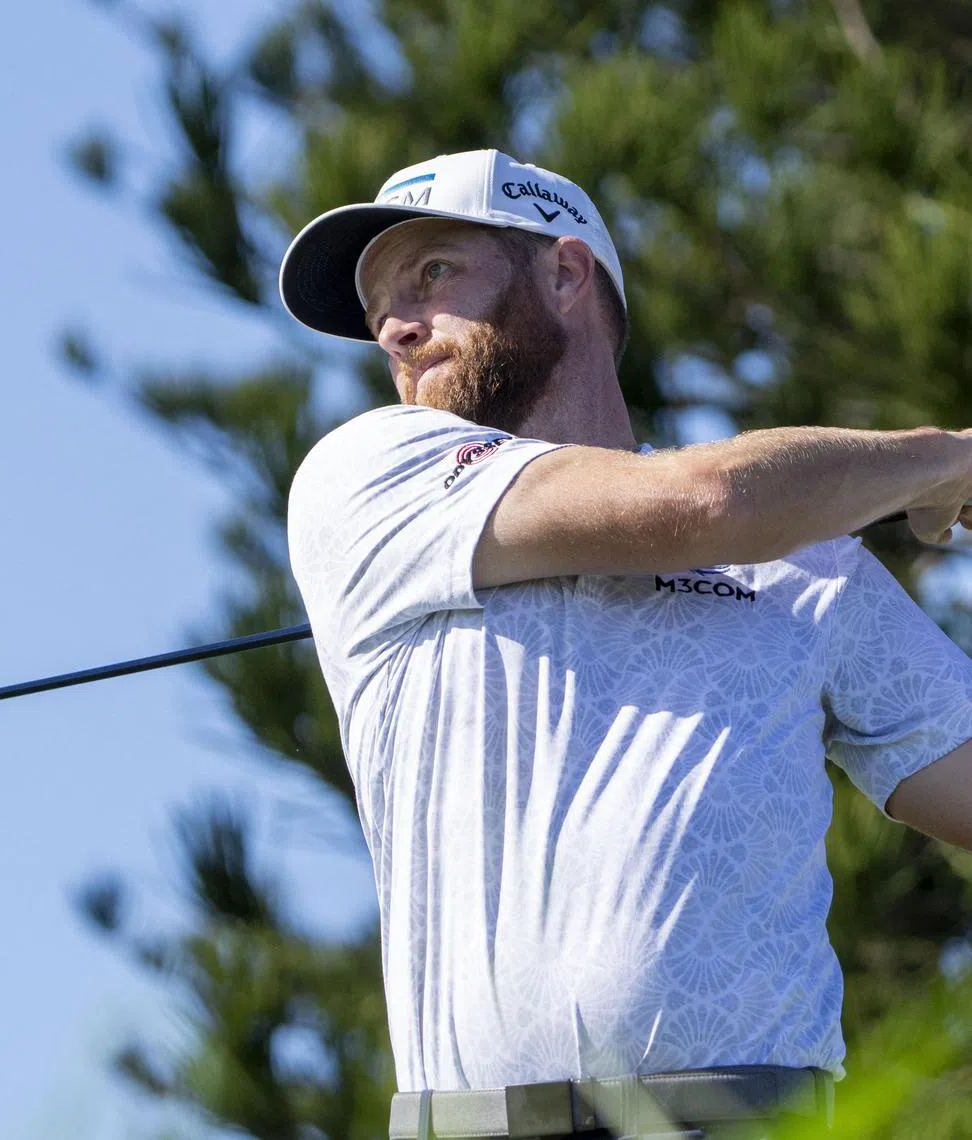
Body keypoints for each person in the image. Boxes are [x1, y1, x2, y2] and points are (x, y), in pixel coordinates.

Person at [278, 149, 972, 1139]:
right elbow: (704, 501)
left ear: (565, 274)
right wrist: (949, 457)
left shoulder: (805, 560)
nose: (396, 323)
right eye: (382, 304)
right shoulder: (365, 473)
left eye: (433, 273)